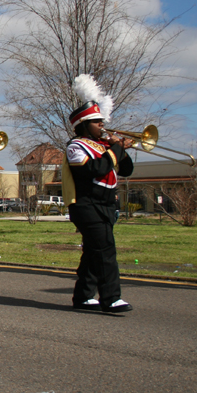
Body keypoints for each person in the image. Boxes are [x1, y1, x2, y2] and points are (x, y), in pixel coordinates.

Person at [64, 76, 134, 313]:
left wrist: (121, 150)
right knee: (105, 251)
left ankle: (83, 296)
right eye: (96, 122)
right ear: (83, 125)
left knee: (94, 251)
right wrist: (115, 148)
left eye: (102, 121)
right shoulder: (76, 146)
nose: (102, 125)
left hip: (105, 203)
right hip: (86, 204)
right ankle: (111, 298)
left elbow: (126, 170)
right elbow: (94, 170)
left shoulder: (104, 146)